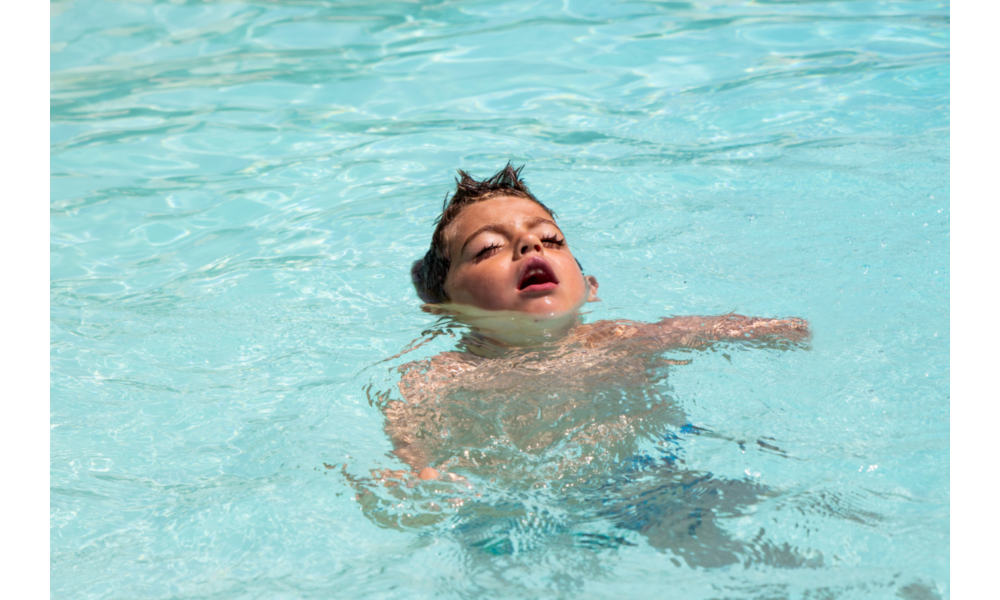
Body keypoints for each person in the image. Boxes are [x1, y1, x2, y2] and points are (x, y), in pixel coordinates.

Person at [384, 163, 809, 482]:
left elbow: (709, 329)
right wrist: (420, 471)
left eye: (550, 239)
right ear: (444, 307)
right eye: (488, 248)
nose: (531, 244)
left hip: (656, 472)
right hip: (514, 499)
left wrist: (777, 329)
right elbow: (408, 426)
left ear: (590, 287)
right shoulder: (447, 374)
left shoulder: (619, 338)